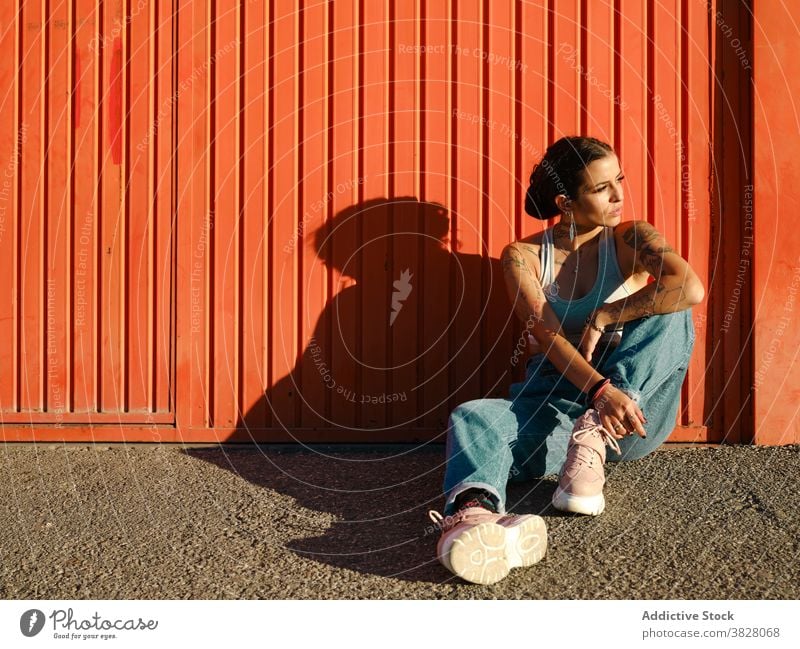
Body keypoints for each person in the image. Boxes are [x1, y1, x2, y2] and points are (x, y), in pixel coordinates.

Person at [427, 136, 704, 585]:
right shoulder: (522, 257)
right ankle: (472, 518)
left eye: (620, 181)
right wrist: (599, 391)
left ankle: (593, 433)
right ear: (566, 201)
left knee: (673, 312)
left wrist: (609, 315)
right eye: (601, 188)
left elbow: (689, 288)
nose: (617, 196)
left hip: (629, 419)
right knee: (474, 417)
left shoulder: (634, 237)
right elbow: (549, 337)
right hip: (556, 399)